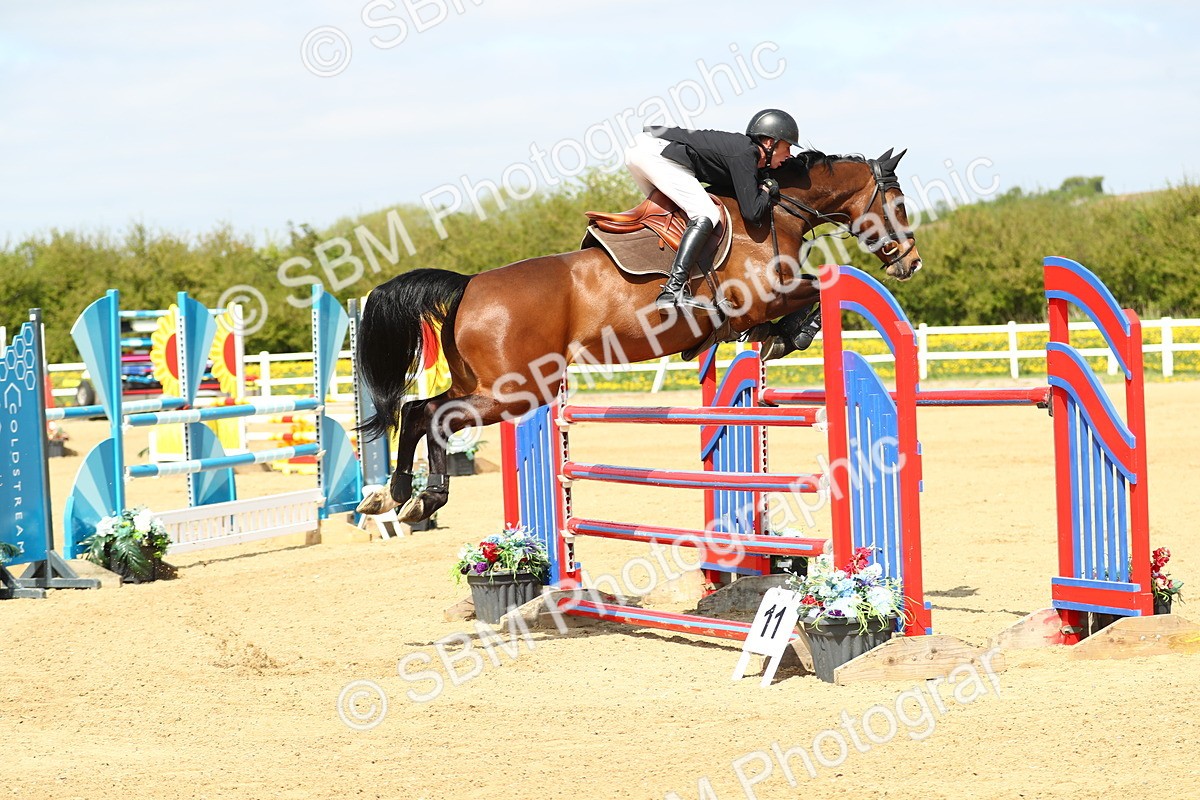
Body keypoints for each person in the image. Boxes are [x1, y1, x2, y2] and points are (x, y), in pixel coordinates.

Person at [624, 109, 799, 311]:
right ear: (770, 143)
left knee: (675, 218)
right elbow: (752, 212)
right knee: (706, 214)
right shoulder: (746, 153)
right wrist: (767, 189)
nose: (789, 155)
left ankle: (657, 280)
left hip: (643, 149)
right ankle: (673, 290)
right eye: (787, 147)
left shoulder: (743, 153)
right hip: (655, 152)